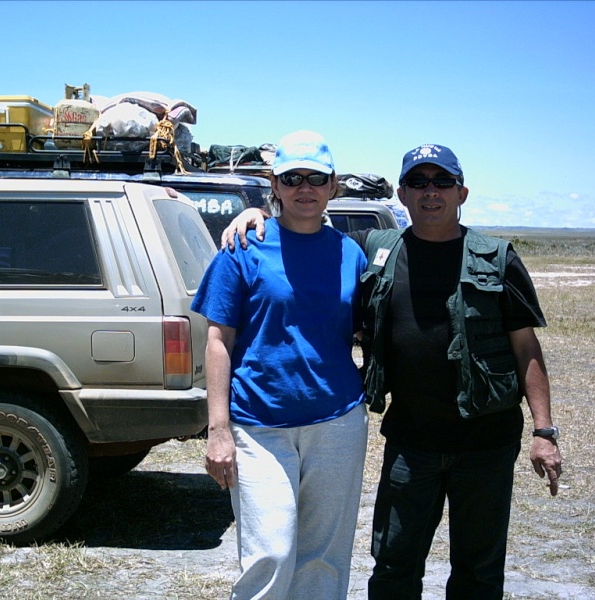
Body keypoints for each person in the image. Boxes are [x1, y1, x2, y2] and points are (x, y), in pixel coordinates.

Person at [221, 143, 564, 599]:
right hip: (410, 443)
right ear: (401, 194)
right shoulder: (375, 250)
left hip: (486, 441)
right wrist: (256, 216)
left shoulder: (495, 257)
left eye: (442, 182)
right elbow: (305, 239)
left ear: (462, 192)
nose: (430, 193)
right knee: (394, 569)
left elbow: (526, 346)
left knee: (479, 572)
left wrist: (545, 431)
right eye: (418, 183)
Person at [191, 130, 369, 600]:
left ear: (333, 186)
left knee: (325, 559)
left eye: (316, 178)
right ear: (274, 183)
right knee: (270, 554)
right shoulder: (243, 247)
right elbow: (217, 341)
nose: (304, 188)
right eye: (293, 178)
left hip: (338, 423)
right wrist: (218, 429)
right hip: (259, 428)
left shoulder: (350, 253)